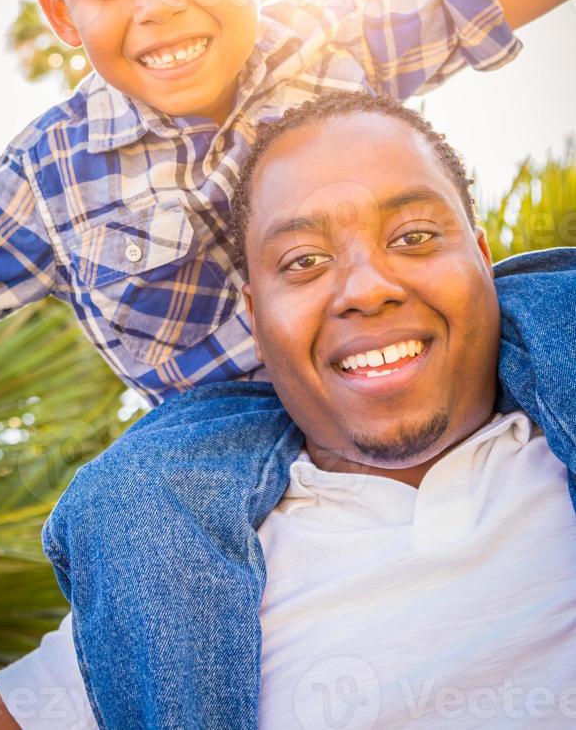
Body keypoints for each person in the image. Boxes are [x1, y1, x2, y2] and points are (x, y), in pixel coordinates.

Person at [0, 0, 575, 725]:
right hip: (223, 423)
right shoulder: (49, 172)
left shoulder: (332, 35)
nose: (160, 4)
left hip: (428, 332)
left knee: (562, 307)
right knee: (132, 495)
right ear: (60, 11)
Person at [37, 92, 576, 729]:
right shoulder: (163, 584)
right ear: (256, 319)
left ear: (482, 262)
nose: (368, 288)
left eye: (415, 236)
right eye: (305, 261)